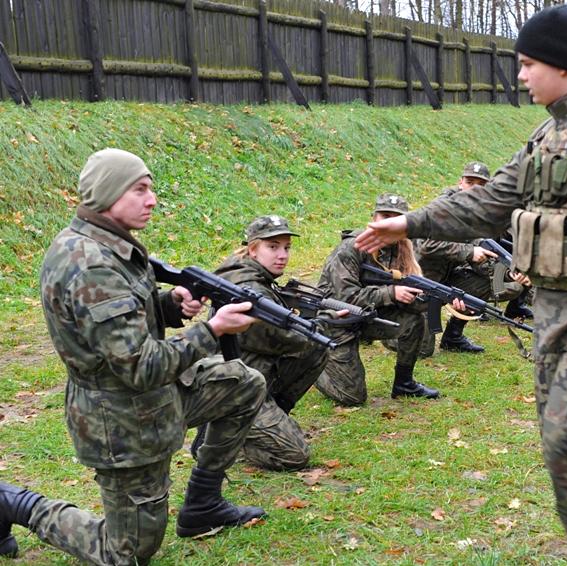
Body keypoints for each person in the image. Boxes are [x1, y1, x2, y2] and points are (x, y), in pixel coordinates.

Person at [355, 6, 567, 566]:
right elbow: (489, 200)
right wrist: (409, 223)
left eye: (529, 64)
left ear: (561, 63)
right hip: (557, 307)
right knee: (562, 439)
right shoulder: (553, 131)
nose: (522, 75)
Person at [1, 149, 267, 564]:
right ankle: (15, 503)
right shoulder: (90, 264)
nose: (153, 199)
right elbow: (139, 366)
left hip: (156, 400)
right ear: (108, 194)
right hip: (121, 421)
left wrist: (167, 305)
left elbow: (112, 327)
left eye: (151, 188)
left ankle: (202, 504)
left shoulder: (110, 245)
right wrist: (212, 330)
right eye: (140, 189)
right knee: (124, 553)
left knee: (244, 384)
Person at [214, 215, 329, 471]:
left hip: (253, 376)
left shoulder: (256, 278)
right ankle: (229, 435)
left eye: (286, 247)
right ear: (252, 249)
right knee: (295, 456)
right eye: (273, 247)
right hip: (234, 390)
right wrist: (324, 323)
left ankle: (272, 416)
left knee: (317, 347)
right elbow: (281, 338)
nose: (282, 255)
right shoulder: (247, 288)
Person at [315, 193, 440, 405]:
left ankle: (404, 383)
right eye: (385, 216)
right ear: (374, 219)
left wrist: (440, 300)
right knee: (352, 397)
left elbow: (413, 298)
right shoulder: (352, 248)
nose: (389, 222)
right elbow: (344, 296)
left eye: (396, 218)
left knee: (414, 322)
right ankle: (314, 366)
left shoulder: (402, 249)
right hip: (336, 320)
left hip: (367, 315)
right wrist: (391, 293)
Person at [414, 161, 531, 354]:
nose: (474, 189)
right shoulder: (442, 207)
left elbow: (485, 259)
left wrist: (512, 272)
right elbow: (427, 245)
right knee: (422, 350)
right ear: (461, 183)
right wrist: (469, 252)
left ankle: (453, 337)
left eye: (480, 185)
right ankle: (382, 327)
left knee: (481, 284)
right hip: (420, 282)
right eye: (470, 182)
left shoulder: (479, 214)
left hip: (449, 275)